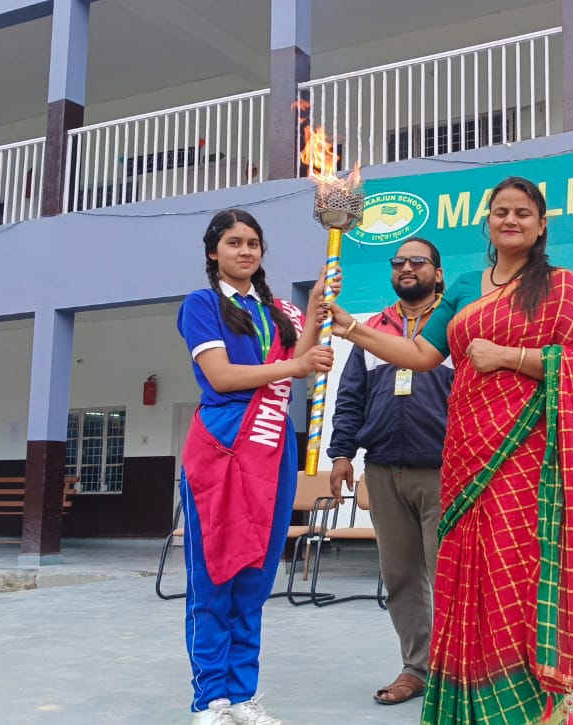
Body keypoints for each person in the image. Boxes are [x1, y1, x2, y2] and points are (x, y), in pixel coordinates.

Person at [325, 177, 573, 725]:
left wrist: (507, 356)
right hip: (465, 452)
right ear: (488, 222)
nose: (510, 220)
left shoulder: (561, 287)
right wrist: (352, 328)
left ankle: (530, 706)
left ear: (541, 225)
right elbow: (418, 354)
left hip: (525, 457)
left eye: (522, 212)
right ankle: (473, 702)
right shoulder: (460, 288)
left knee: (516, 573)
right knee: (468, 580)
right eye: (500, 211)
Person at [177, 208, 333, 725]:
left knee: (255, 577)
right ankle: (210, 700)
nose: (245, 251)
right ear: (213, 252)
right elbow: (221, 376)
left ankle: (243, 695)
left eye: (253, 243)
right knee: (214, 576)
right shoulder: (202, 304)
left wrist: (313, 309)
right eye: (234, 242)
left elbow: (300, 358)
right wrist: (297, 364)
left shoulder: (277, 309)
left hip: (272, 448)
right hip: (223, 446)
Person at [326, 237, 455, 707]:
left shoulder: (454, 325)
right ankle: (417, 668)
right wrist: (342, 454)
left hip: (445, 471)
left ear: (437, 274)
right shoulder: (374, 328)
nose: (406, 267)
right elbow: (350, 397)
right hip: (381, 469)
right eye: (398, 261)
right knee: (400, 576)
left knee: (450, 577)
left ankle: (456, 671)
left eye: (418, 261)